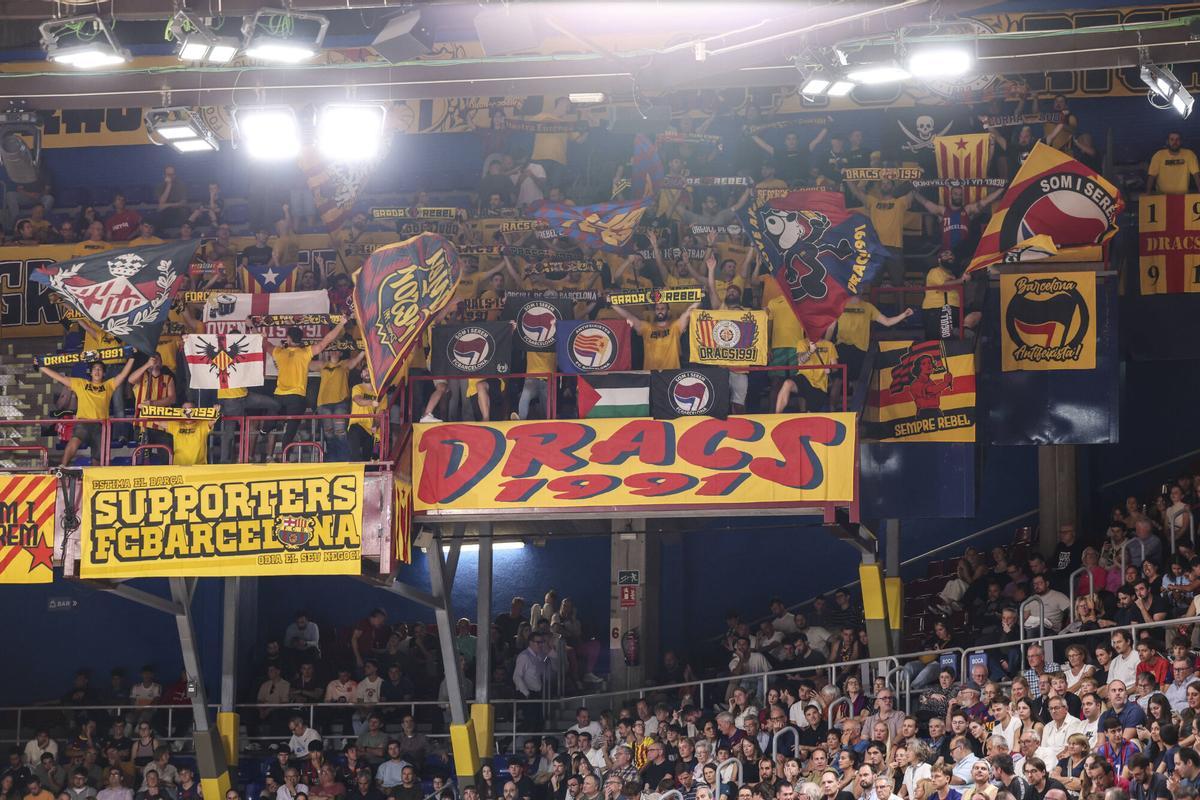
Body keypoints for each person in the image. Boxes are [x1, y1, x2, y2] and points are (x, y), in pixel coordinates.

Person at [260, 319, 348, 457]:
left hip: (279, 395)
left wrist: (261, 334)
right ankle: (284, 455)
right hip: (296, 397)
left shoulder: (279, 352)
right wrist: (342, 322)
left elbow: (265, 344)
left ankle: (266, 428)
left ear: (288, 339)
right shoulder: (306, 352)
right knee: (291, 428)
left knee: (273, 412)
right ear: (300, 340)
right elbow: (327, 339)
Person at [38, 358, 135, 467]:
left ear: (104, 373)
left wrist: (131, 358)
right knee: (74, 441)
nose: (97, 371)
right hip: (83, 422)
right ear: (90, 372)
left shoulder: (109, 385)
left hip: (101, 425)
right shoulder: (81, 383)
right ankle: (62, 467)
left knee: (97, 459)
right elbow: (60, 377)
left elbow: (122, 375)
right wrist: (42, 367)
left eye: (100, 369)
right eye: (95, 369)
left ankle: (93, 480)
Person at [611, 301, 702, 371]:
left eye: (663, 308)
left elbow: (687, 314)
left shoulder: (675, 327)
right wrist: (612, 304)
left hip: (671, 372)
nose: (660, 310)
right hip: (651, 373)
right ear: (654, 311)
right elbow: (629, 317)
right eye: (657, 308)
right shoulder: (647, 328)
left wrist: (699, 299)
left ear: (668, 311)